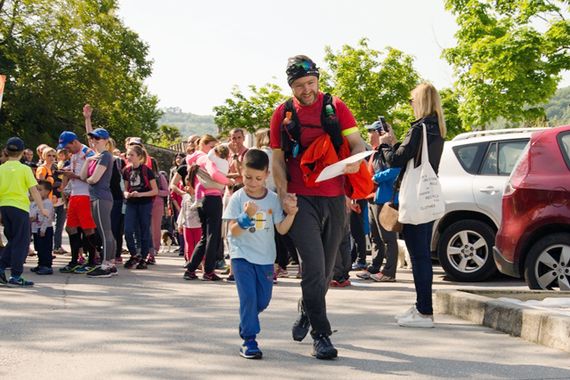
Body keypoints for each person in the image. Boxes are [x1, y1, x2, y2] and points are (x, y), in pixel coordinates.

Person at [270, 55, 366, 359]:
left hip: (335, 196)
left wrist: (355, 162)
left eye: (311, 83)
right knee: (312, 266)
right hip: (300, 199)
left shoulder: (336, 107)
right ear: (291, 87)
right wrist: (284, 195)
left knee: (325, 270)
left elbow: (358, 144)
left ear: (318, 80)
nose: (307, 90)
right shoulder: (281, 114)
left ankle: (307, 309)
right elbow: (276, 159)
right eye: (300, 86)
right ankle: (321, 335)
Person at [379, 82, 446, 328]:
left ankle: (424, 311)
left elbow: (395, 160)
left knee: (418, 257)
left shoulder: (420, 128)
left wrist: (385, 143)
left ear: (421, 101)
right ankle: (421, 307)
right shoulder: (437, 128)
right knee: (421, 256)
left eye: (412, 100)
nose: (410, 104)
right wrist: (397, 140)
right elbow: (410, 155)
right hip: (427, 197)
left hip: (417, 198)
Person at [223, 149, 298, 359]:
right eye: (248, 177)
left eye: (258, 178)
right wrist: (246, 216)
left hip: (265, 258)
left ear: (266, 174)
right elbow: (233, 231)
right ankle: (249, 340)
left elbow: (282, 229)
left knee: (262, 301)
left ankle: (246, 321)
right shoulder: (238, 198)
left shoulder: (273, 199)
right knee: (248, 298)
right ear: (241, 171)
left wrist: (291, 214)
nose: (253, 182)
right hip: (241, 257)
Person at [183, 136, 234, 281]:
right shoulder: (207, 159)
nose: (214, 150)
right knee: (213, 236)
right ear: (204, 145)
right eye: (212, 146)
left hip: (202, 200)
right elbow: (214, 174)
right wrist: (228, 181)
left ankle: (191, 269)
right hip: (213, 199)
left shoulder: (196, 160)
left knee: (205, 237)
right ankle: (209, 271)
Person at [0, 137, 50, 287]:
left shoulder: (1, 168)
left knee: (14, 240)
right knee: (22, 242)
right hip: (20, 208)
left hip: (4, 208)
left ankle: (2, 267)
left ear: (6, 152)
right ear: (22, 153)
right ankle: (15, 275)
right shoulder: (25, 169)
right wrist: (42, 209)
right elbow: (34, 191)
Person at [357, 120, 400, 282]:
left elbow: (395, 170)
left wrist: (375, 178)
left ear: (381, 133)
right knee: (376, 237)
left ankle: (389, 272)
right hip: (373, 198)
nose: (369, 135)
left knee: (388, 238)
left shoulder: (387, 150)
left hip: (385, 199)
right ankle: (375, 267)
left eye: (372, 131)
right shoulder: (375, 151)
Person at [57, 130, 98, 274]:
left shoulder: (89, 153)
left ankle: (92, 260)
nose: (66, 150)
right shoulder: (74, 154)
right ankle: (75, 260)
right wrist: (67, 171)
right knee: (71, 228)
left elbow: (93, 176)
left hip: (86, 195)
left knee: (88, 228)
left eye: (67, 146)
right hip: (74, 194)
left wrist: (74, 175)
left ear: (74, 142)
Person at [80, 127, 117, 278]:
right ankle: (111, 263)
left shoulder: (106, 156)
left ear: (105, 141)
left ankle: (106, 264)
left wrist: (89, 180)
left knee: (104, 231)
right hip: (96, 197)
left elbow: (93, 179)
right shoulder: (97, 156)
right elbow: (83, 176)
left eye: (97, 138)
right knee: (104, 231)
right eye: (93, 138)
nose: (94, 141)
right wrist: (88, 160)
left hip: (102, 197)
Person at [122, 145, 158, 269]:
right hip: (131, 203)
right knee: (127, 229)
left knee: (144, 230)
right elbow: (125, 188)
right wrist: (127, 194)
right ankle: (134, 254)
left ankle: (143, 256)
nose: (129, 157)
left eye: (131, 155)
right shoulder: (126, 171)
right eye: (128, 155)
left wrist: (141, 194)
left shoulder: (146, 171)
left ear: (139, 156)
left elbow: (155, 191)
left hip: (145, 203)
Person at [30, 180, 55, 275]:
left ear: (47, 191)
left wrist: (43, 229)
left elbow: (47, 217)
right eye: (36, 190)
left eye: (40, 190)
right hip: (36, 228)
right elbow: (32, 213)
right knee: (39, 248)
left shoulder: (47, 203)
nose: (38, 192)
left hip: (45, 229)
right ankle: (40, 264)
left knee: (45, 248)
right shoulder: (35, 202)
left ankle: (47, 266)